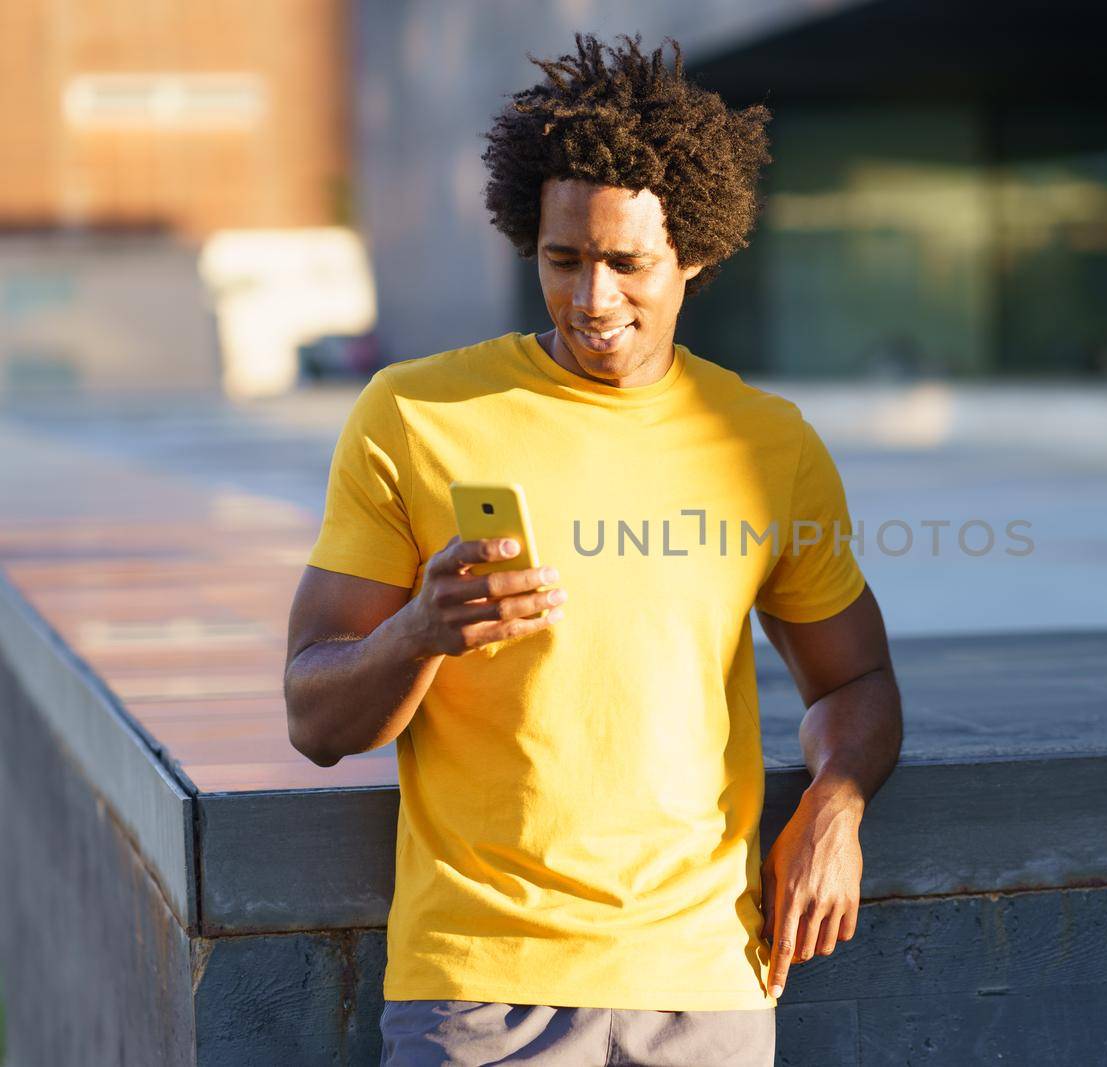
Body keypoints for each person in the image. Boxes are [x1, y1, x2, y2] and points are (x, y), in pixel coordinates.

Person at [282, 32, 902, 1067]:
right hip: (478, 989)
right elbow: (314, 716)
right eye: (563, 260)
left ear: (695, 253)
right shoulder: (416, 413)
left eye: (627, 263)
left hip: (707, 979)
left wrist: (836, 802)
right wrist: (421, 631)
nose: (592, 299)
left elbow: (857, 678)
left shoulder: (768, 442)